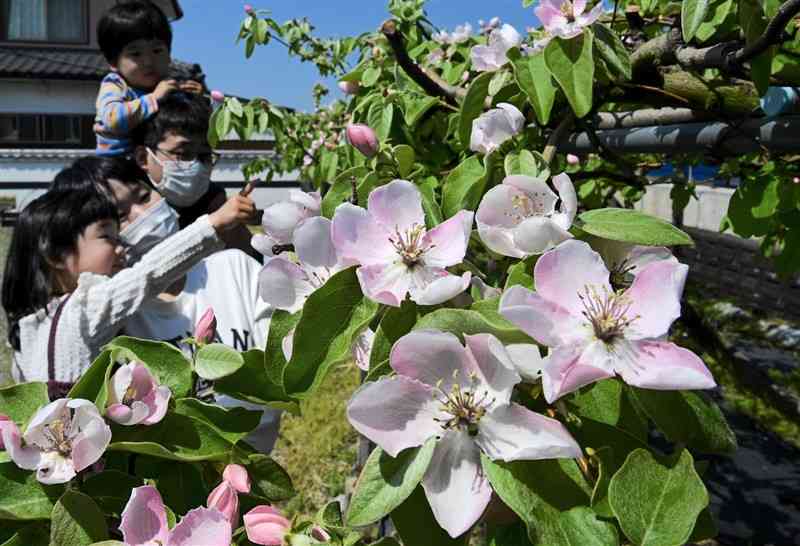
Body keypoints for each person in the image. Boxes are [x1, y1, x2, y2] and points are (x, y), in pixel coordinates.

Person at [50, 156, 281, 452]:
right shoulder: (113, 323)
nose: (143, 214)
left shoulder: (234, 268)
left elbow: (277, 376)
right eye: (120, 217)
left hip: (253, 466)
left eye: (144, 197)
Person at [2, 176, 254, 399]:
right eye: (107, 237)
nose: (121, 249)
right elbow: (149, 274)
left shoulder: (26, 328)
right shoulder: (87, 306)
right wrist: (214, 224)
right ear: (57, 255)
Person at [131, 93, 261, 260]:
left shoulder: (216, 201)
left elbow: (250, 266)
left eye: (205, 156)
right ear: (143, 157)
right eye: (182, 153)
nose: (196, 165)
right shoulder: (126, 208)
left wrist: (234, 227)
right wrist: (215, 223)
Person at [94, 0, 202, 156]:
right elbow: (113, 119)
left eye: (157, 50)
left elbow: (189, 125)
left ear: (169, 53)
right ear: (113, 62)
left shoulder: (169, 85)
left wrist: (197, 101)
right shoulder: (116, 84)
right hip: (117, 165)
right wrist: (154, 98)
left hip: (156, 161)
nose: (148, 62)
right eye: (136, 54)